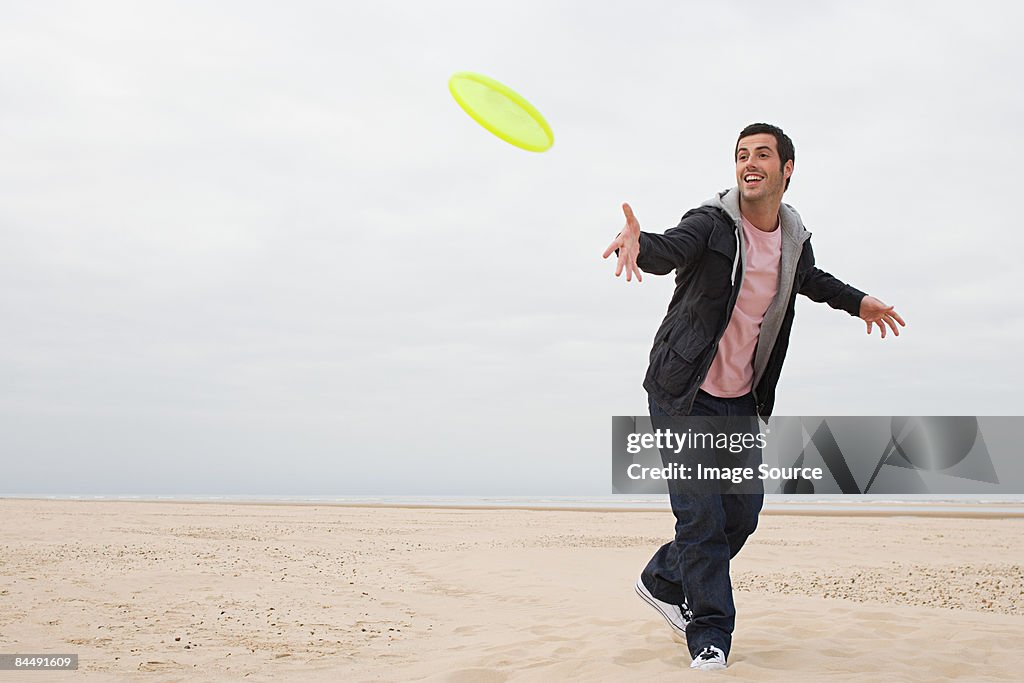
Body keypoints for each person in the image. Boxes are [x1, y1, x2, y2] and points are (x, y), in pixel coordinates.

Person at [601, 123, 905, 671]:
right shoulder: (712, 224)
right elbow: (671, 249)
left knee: (741, 514)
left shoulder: (793, 238)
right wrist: (639, 245)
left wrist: (859, 302)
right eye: (742, 155)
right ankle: (710, 638)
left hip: (739, 397)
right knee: (701, 519)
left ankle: (662, 580)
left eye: (763, 154)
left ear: (787, 170)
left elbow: (810, 279)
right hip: (683, 391)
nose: (750, 162)